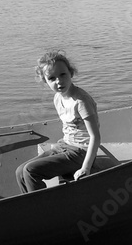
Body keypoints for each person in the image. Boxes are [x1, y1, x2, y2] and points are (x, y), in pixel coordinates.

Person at [16, 50, 101, 193]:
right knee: (20, 172)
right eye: (52, 78)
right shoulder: (58, 97)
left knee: (31, 171)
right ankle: (32, 206)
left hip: (80, 151)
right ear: (45, 81)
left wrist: (85, 168)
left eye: (63, 75)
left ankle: (43, 208)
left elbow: (95, 137)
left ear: (71, 73)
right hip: (64, 145)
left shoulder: (81, 101)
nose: (59, 81)